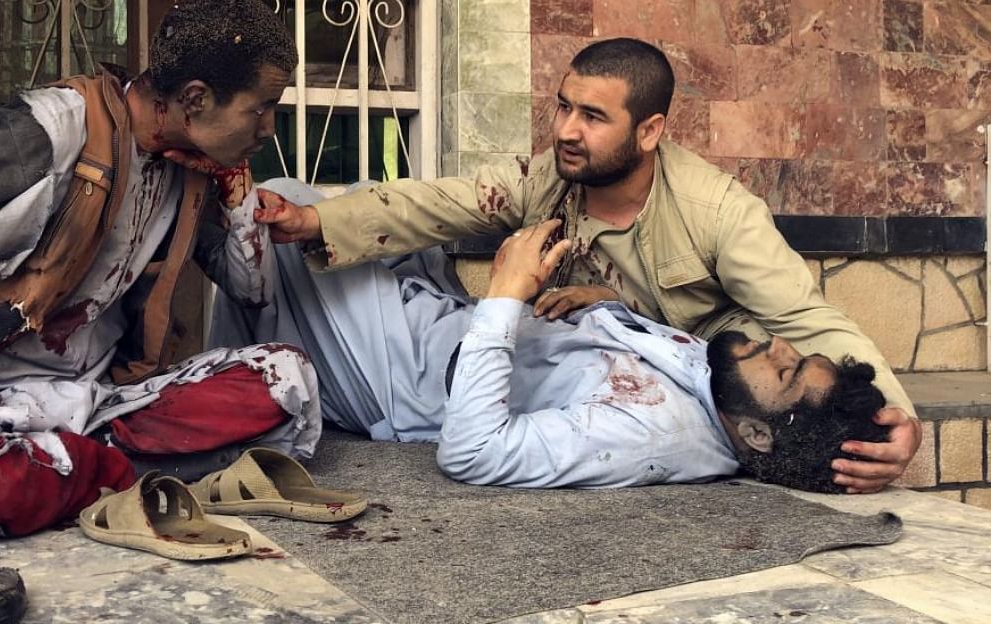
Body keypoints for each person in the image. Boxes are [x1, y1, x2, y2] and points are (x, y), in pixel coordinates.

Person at [251, 37, 919, 494]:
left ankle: (260, 389)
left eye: (593, 116)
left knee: (283, 253)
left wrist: (895, 416)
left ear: (649, 131)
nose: (568, 129)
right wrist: (318, 224)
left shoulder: (720, 215)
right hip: (548, 353)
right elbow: (449, 203)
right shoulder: (555, 174)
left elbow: (804, 319)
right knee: (334, 219)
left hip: (564, 383)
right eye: (564, 106)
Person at [0, 0, 321, 545]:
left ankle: (75, 470)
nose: (268, 128)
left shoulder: (192, 165)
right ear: (195, 98)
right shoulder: (51, 129)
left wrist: (237, 197)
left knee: (286, 378)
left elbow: (248, 291)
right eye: (261, 107)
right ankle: (129, 478)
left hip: (103, 404)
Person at [212, 195, 888, 491]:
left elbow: (472, 451)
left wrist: (507, 293)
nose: (776, 346)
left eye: (787, 370)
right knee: (367, 219)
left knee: (285, 215)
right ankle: (266, 330)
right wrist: (613, 312)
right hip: (451, 321)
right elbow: (658, 361)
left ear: (760, 437)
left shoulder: (644, 436)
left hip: (407, 373)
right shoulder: (719, 391)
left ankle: (240, 366)